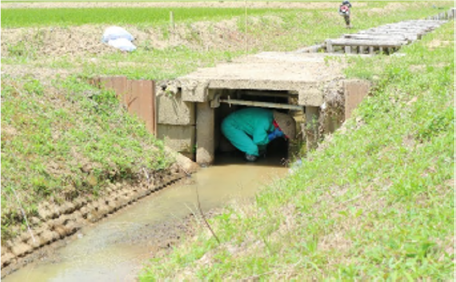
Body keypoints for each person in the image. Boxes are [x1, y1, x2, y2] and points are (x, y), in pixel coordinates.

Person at [221, 107, 296, 162]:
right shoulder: (265, 121)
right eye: (283, 134)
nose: (283, 136)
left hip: (241, 125)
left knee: (262, 148)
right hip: (231, 126)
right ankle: (249, 165)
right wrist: (274, 135)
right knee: (252, 149)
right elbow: (258, 140)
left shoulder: (271, 119)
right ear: (279, 127)